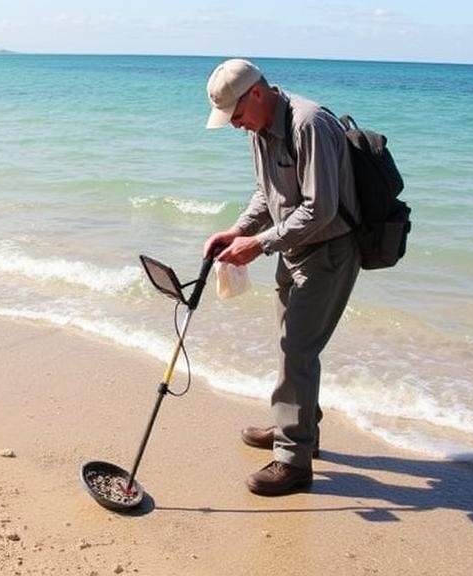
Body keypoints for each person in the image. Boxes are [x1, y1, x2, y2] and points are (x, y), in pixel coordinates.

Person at [201, 58, 361, 496]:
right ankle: (298, 427)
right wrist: (237, 231)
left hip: (328, 251)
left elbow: (320, 209)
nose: (235, 125)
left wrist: (259, 244)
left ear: (257, 93)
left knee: (297, 350)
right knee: (292, 346)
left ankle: (294, 462)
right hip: (292, 249)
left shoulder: (308, 123)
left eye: (235, 114)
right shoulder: (259, 128)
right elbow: (265, 193)